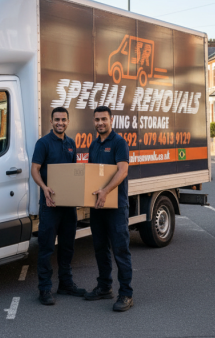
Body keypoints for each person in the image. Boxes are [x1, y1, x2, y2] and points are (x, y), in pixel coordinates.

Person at [31, 107, 87, 305]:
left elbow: (73, 173)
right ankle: (44, 289)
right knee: (46, 248)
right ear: (51, 120)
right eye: (57, 119)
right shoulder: (43, 143)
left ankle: (65, 284)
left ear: (68, 122)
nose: (60, 122)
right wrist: (44, 188)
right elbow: (34, 170)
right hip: (50, 205)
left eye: (63, 119)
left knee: (67, 247)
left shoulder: (71, 144)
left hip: (68, 205)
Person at [83, 105, 133, 312]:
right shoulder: (93, 145)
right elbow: (93, 174)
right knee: (100, 248)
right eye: (97, 119)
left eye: (104, 119)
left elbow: (122, 170)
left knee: (120, 250)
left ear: (111, 120)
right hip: (98, 207)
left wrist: (105, 191)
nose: (100, 123)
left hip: (116, 206)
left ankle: (126, 294)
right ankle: (105, 286)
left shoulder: (119, 143)